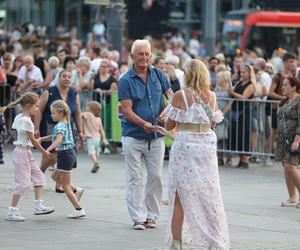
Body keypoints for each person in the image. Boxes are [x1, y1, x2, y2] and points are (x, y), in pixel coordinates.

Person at [163, 59, 229, 249]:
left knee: (179, 194)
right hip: (206, 146)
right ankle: (214, 241)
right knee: (209, 192)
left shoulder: (180, 95)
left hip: (185, 146)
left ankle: (176, 243)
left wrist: (166, 117)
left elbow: (170, 125)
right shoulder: (212, 96)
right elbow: (214, 123)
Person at [118, 39, 172, 230]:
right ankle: (138, 217)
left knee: (155, 176)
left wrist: (168, 111)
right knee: (135, 177)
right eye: (141, 54)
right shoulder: (125, 80)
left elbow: (171, 96)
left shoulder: (159, 74)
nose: (145, 57)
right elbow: (127, 110)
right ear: (132, 56)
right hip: (133, 135)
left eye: (147, 54)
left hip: (156, 136)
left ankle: (152, 215)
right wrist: (144, 124)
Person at [0, 92, 54, 222]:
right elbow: (33, 140)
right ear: (29, 105)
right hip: (22, 153)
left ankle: (38, 206)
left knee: (39, 177)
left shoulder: (19, 117)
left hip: (25, 151)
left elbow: (27, 138)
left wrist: (44, 138)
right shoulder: (27, 121)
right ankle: (12, 211)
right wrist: (44, 151)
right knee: (23, 184)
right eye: (36, 106)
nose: (38, 109)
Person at [35, 69, 84, 196]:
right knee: (50, 157)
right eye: (64, 76)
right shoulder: (49, 91)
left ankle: (60, 185)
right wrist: (36, 128)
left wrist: (81, 130)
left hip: (68, 128)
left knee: (65, 156)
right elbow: (39, 110)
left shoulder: (73, 93)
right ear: (58, 77)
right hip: (50, 127)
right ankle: (39, 175)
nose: (67, 78)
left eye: (69, 77)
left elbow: (78, 113)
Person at [39, 100, 85, 218]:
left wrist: (47, 150)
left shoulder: (60, 125)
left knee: (65, 186)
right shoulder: (66, 123)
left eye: (53, 113)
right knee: (54, 176)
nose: (51, 115)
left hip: (65, 155)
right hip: (69, 153)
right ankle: (76, 190)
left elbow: (58, 140)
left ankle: (78, 209)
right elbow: (54, 136)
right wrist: (42, 139)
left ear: (60, 113)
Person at [275, 76, 300, 208]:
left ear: (294, 87)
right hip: (283, 140)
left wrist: (297, 140)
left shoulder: (299, 100)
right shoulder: (285, 101)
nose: (282, 87)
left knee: (290, 167)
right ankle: (292, 197)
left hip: (294, 140)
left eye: (285, 85)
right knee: (286, 167)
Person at [228, 64, 256, 168]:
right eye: (241, 72)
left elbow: (244, 97)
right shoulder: (239, 82)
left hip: (245, 112)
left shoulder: (251, 85)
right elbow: (232, 93)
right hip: (236, 112)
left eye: (244, 72)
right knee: (237, 135)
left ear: (249, 73)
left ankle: (245, 160)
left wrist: (232, 92)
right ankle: (241, 159)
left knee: (244, 135)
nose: (242, 74)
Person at [92, 59, 117, 140]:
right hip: (97, 103)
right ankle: (98, 141)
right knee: (97, 122)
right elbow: (90, 88)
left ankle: (107, 141)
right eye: (101, 66)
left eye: (105, 66)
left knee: (107, 122)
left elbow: (112, 90)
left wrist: (102, 91)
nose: (103, 68)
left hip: (108, 103)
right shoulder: (96, 77)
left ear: (109, 68)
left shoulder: (112, 78)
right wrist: (90, 79)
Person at [82, 101, 108, 173]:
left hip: (90, 137)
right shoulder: (98, 119)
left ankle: (95, 163)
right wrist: (104, 138)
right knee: (97, 151)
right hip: (98, 137)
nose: (86, 107)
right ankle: (97, 163)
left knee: (91, 152)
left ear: (91, 108)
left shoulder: (88, 114)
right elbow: (101, 130)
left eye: (87, 106)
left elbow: (80, 115)